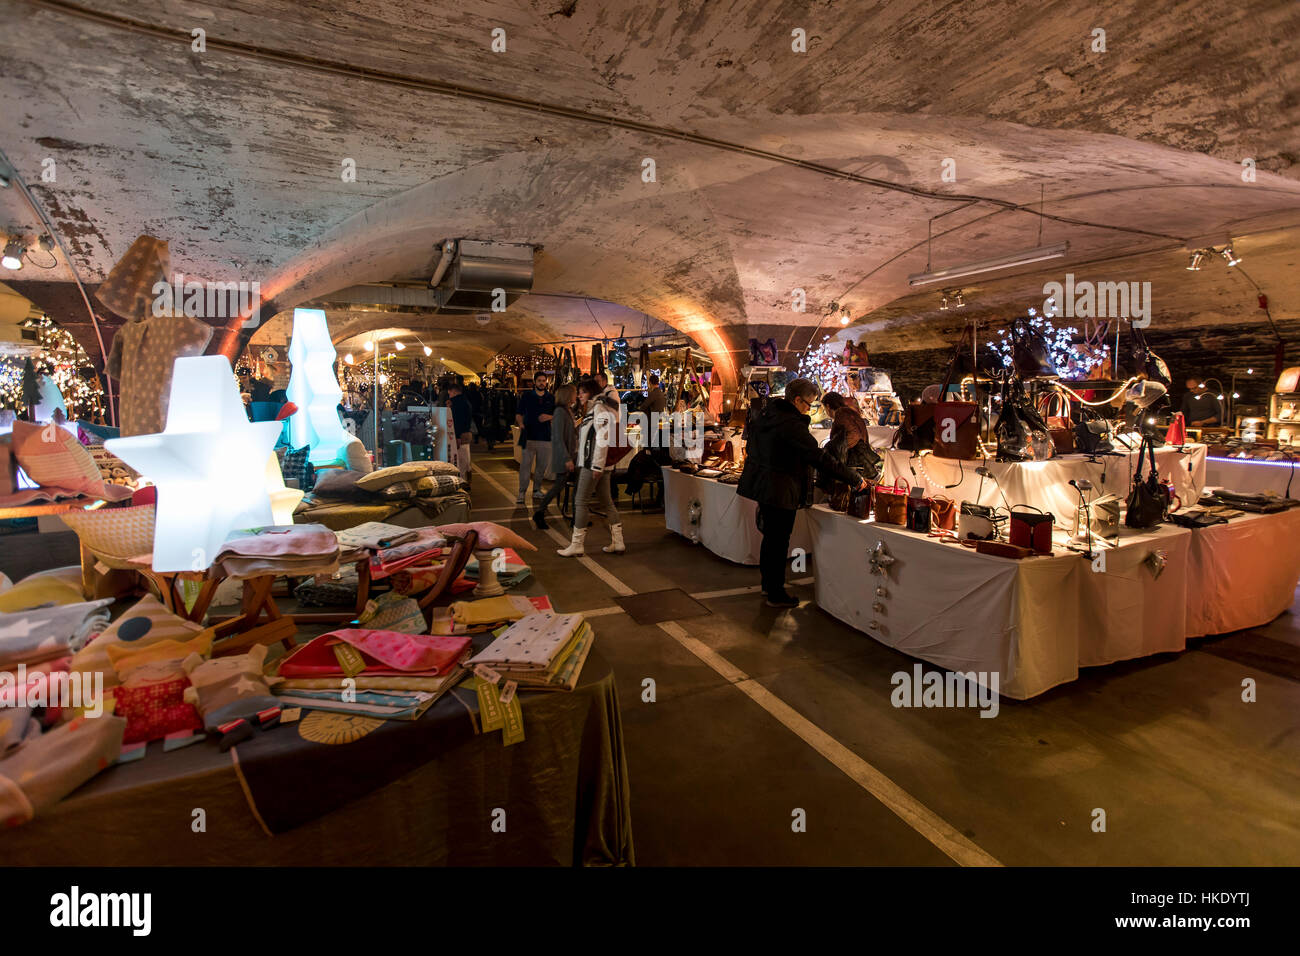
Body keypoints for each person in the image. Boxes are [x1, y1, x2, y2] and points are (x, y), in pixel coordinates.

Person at [738, 378, 868, 608]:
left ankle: (769, 585)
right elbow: (818, 457)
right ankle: (776, 594)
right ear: (797, 400)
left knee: (771, 538)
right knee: (778, 540)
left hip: (765, 484)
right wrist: (853, 478)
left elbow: (751, 447)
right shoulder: (790, 424)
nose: (810, 409)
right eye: (809, 404)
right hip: (780, 487)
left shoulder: (768, 415)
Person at [558, 378, 624, 557]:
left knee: (580, 501)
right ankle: (618, 542)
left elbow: (602, 439)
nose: (579, 395)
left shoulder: (599, 409)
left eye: (583, 391)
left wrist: (596, 466)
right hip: (597, 464)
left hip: (593, 464)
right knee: (606, 502)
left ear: (592, 393)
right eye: (579, 392)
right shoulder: (594, 409)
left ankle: (577, 544)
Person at [533, 383, 578, 530]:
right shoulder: (560, 412)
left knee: (572, 486)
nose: (576, 395)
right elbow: (558, 437)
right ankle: (540, 511)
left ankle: (577, 517)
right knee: (558, 486)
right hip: (564, 456)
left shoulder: (566, 411)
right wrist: (567, 458)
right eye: (574, 393)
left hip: (570, 455)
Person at [819, 392, 882, 490]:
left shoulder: (842, 413)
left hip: (855, 458)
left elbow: (854, 435)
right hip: (859, 456)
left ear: (827, 406)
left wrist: (837, 448)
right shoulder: (849, 412)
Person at [514, 371, 554, 504]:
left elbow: (558, 414)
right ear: (535, 382)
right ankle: (521, 492)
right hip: (528, 436)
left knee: (541, 467)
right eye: (539, 380)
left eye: (544, 380)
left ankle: (537, 490)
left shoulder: (551, 397)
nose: (542, 383)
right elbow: (519, 413)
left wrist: (549, 417)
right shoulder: (527, 396)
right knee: (525, 466)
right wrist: (520, 424)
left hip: (545, 437)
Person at [447, 382, 474, 483]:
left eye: (450, 393)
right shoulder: (466, 401)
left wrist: (457, 436)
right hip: (466, 433)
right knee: (466, 459)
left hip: (459, 435)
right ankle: (466, 479)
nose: (449, 396)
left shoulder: (456, 403)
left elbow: (457, 421)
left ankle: (463, 481)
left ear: (454, 392)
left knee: (461, 460)